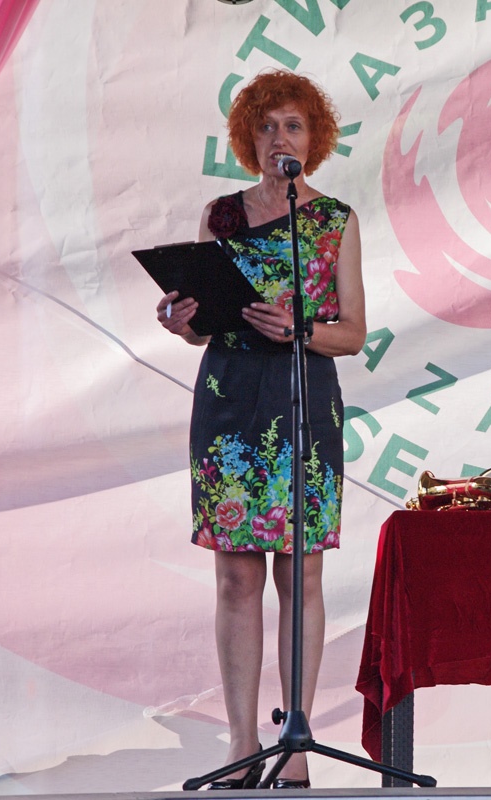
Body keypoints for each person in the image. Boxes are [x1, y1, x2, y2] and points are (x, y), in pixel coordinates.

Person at [156, 70, 366, 790]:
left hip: (304, 398)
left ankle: (296, 746)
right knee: (236, 575)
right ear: (250, 138)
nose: (281, 137)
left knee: (300, 572)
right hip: (230, 399)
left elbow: (353, 333)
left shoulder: (335, 221)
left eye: (293, 125)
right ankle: (241, 743)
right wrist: (184, 322)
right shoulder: (221, 215)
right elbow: (206, 323)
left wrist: (299, 328)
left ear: (314, 139)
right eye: (268, 125)